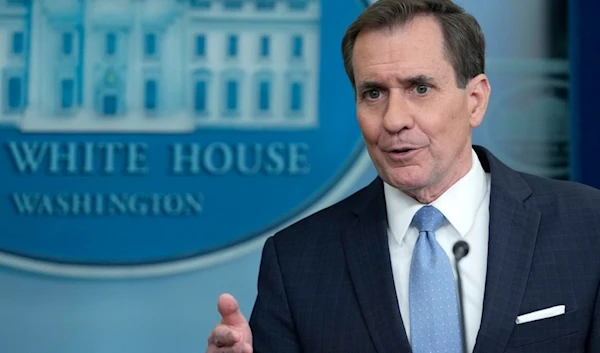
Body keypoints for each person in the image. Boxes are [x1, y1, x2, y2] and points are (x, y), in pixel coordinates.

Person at [206, 0, 600, 352]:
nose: (393, 120)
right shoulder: (296, 260)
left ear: (475, 101)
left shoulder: (587, 225)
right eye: (374, 93)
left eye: (420, 88)